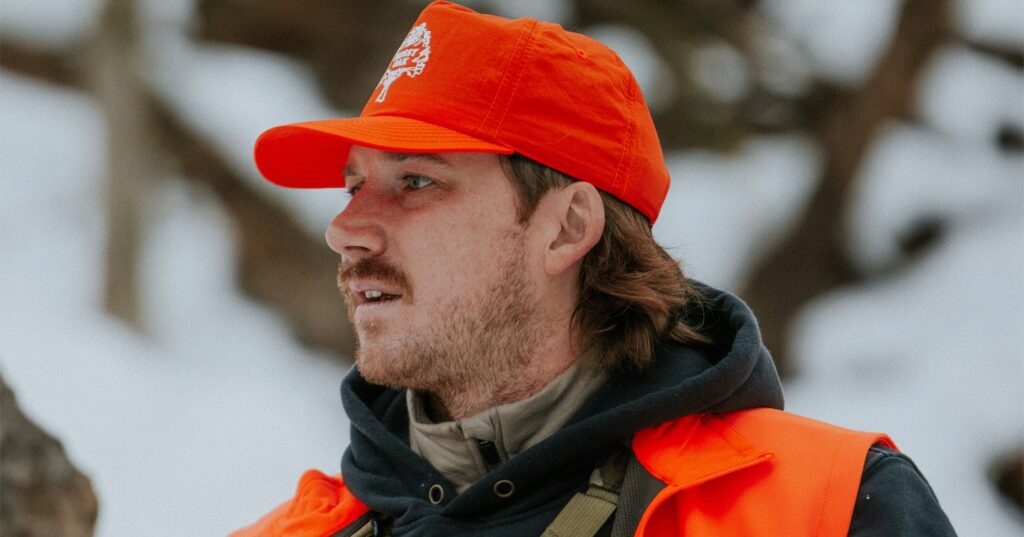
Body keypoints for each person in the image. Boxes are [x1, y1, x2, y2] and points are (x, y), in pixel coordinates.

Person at [233, 2, 957, 536]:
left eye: (416, 182)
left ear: (569, 227)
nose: (345, 229)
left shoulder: (824, 511)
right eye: (354, 183)